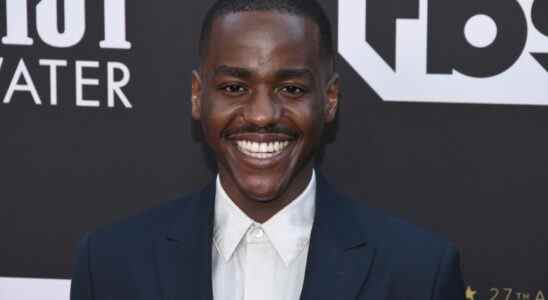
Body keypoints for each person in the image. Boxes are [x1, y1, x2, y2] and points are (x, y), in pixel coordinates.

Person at [70, 0, 466, 299]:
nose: (261, 115)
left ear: (329, 100)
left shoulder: (418, 273)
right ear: (197, 96)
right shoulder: (109, 265)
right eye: (234, 88)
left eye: (291, 89)